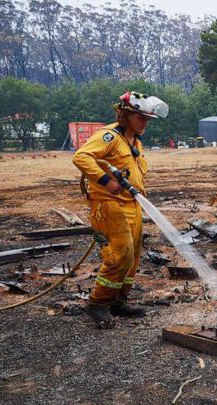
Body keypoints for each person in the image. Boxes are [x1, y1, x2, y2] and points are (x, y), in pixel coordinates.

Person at [72, 91, 169, 328]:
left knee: (132, 257)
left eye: (147, 119)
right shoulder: (109, 136)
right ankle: (98, 304)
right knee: (119, 255)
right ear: (126, 115)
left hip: (132, 204)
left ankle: (118, 301)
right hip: (109, 205)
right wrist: (107, 182)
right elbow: (81, 157)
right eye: (141, 118)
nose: (145, 123)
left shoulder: (135, 141)